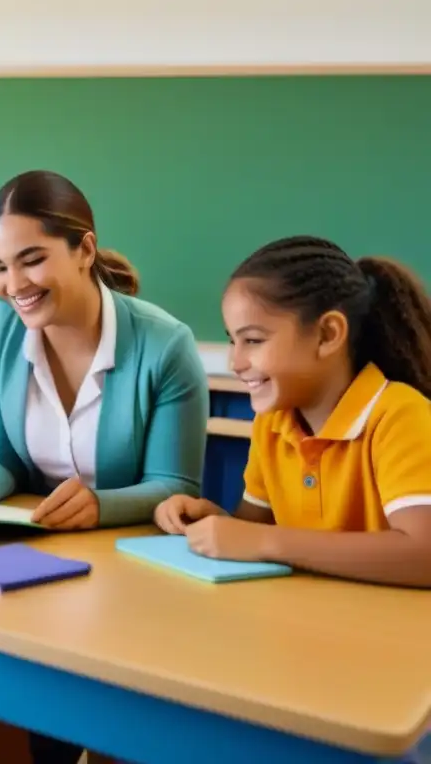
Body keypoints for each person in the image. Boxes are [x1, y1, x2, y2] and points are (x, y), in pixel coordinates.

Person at [0, 170, 209, 764]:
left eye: (31, 260)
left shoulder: (166, 345)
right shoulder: (1, 328)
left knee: (115, 707)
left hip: (132, 585)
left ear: (84, 250)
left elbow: (176, 486)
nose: (13, 284)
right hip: (33, 564)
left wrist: (101, 505)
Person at [155, 235, 431, 589]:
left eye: (253, 340)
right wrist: (212, 524)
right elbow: (257, 530)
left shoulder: (399, 416)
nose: (234, 362)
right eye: (231, 340)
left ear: (328, 334)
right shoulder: (273, 424)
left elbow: (424, 554)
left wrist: (264, 542)